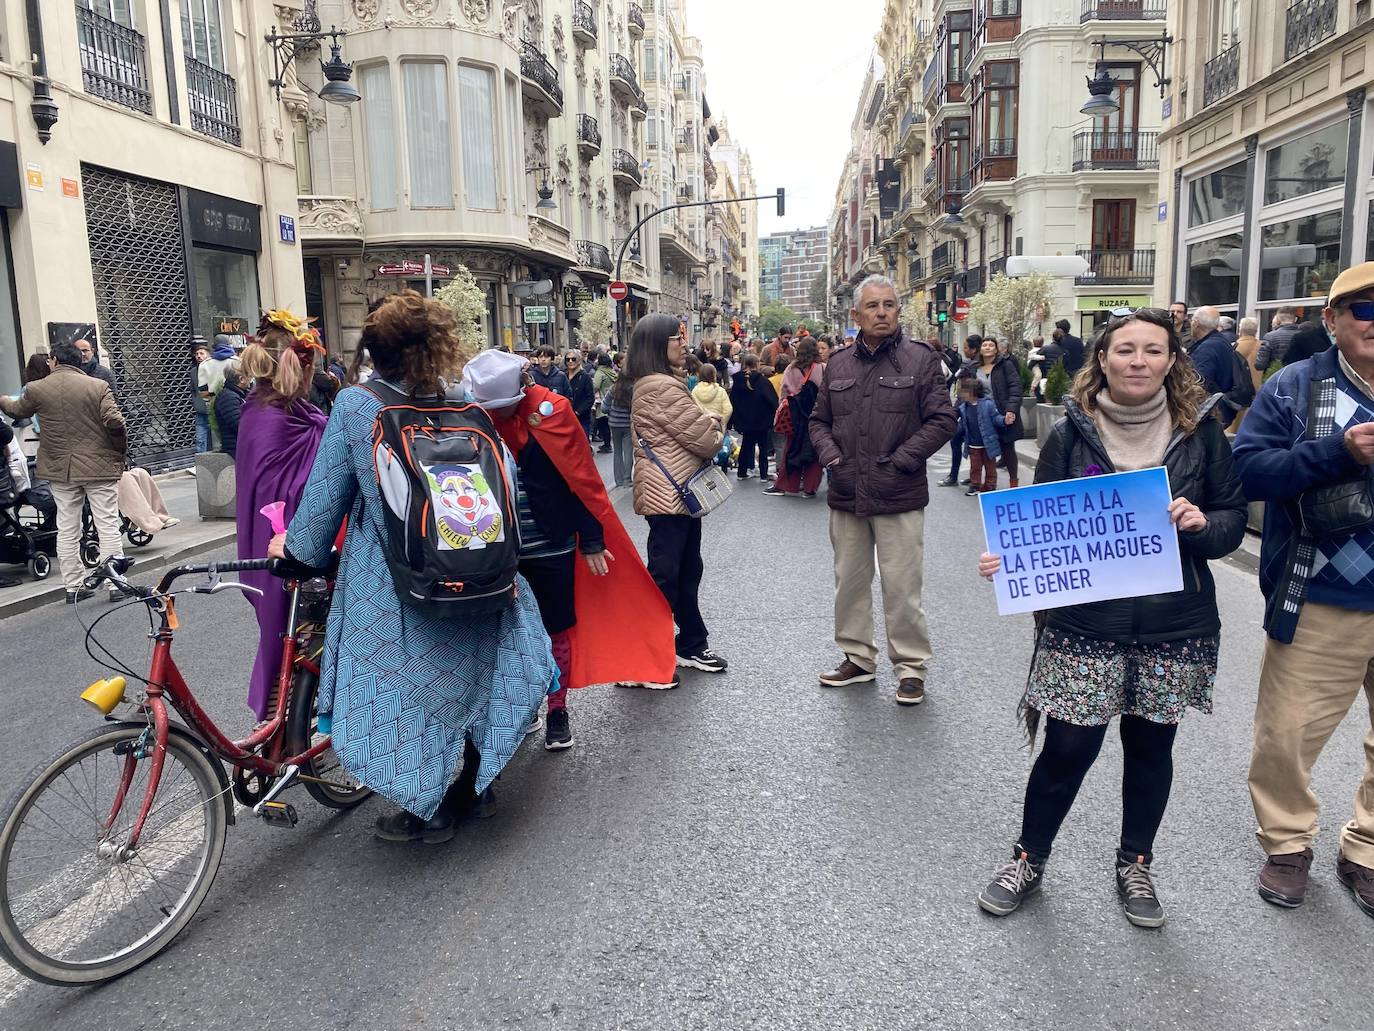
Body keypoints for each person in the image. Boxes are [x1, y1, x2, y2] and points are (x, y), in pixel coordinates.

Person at [975, 306, 1246, 927]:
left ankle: (1135, 863)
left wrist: (1203, 526)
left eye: (1154, 351)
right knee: (1067, 748)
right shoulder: (1071, 431)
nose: (1139, 361)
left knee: (1151, 747)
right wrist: (1009, 560)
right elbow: (1041, 519)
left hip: (1174, 624)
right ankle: (1029, 857)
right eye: (1126, 350)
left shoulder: (1201, 431)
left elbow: (1231, 517)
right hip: (1086, 623)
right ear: (1103, 358)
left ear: (1172, 361)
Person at [271, 290, 556, 843]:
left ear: (374, 353)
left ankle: (425, 810)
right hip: (482, 577)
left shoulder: (358, 407)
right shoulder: (468, 408)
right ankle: (476, 787)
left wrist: (297, 552)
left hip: (396, 586)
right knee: (473, 683)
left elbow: (323, 503)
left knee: (406, 694)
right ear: (439, 348)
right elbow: (507, 490)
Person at [1231, 261, 1374, 919]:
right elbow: (1248, 473)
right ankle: (1287, 843)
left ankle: (1367, 848)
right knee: (1286, 732)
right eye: (1365, 310)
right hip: (1322, 592)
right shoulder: (1294, 385)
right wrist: (1340, 453)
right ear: (1333, 321)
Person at [467, 348, 679, 720]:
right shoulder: (472, 420)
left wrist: (593, 539)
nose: (498, 415)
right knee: (507, 634)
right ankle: (525, 707)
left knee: (557, 629)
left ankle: (557, 711)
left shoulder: (554, 412)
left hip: (553, 543)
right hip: (499, 548)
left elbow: (581, 477)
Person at [809, 274, 956, 705]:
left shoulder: (921, 359)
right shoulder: (836, 363)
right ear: (856, 315)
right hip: (847, 492)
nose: (882, 313)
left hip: (900, 493)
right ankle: (857, 658)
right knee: (849, 583)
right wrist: (832, 458)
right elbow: (818, 421)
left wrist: (903, 460)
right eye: (872, 306)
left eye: (889, 305)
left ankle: (911, 667)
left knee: (902, 586)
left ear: (898, 310)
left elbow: (943, 420)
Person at [234, 312, 329, 721]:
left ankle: (290, 722)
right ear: (301, 366)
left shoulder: (270, 412)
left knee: (295, 634)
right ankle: (281, 720)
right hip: (286, 543)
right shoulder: (274, 419)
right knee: (290, 633)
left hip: (288, 540)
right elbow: (290, 488)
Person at [627, 314, 728, 674]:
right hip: (670, 494)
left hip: (675, 493)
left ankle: (690, 643)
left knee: (685, 570)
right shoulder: (660, 386)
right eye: (677, 338)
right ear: (657, 345)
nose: (685, 344)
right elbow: (707, 440)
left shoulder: (663, 382)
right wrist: (713, 423)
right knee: (668, 575)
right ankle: (642, 655)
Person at [0, 341, 125, 603]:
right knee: (107, 524)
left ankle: (73, 586)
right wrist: (118, 452)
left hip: (60, 469)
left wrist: (2, 399)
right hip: (99, 465)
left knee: (67, 527)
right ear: (80, 361)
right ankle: (115, 583)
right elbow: (115, 422)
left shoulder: (37, 389)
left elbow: (16, 410)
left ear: (55, 360)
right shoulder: (97, 386)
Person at [763, 337, 826, 498]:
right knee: (815, 452)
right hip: (817, 415)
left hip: (795, 415)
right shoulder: (823, 368)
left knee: (791, 450)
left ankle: (785, 485)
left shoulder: (792, 368)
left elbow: (784, 393)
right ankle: (809, 488)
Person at [972, 335, 1025, 488]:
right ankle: (986, 482)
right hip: (982, 414)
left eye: (991, 345)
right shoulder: (973, 368)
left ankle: (1013, 482)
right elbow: (966, 392)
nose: (987, 347)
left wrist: (1011, 409)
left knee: (1007, 448)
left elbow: (1015, 388)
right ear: (980, 350)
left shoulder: (1005, 365)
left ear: (996, 349)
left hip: (1003, 412)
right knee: (982, 450)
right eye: (984, 345)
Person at [939, 337, 982, 488]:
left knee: (962, 442)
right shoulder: (970, 366)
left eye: (966, 347)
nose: (964, 350)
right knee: (970, 445)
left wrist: (955, 412)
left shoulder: (973, 367)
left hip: (973, 411)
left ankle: (956, 476)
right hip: (969, 409)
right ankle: (970, 476)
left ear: (974, 349)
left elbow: (966, 394)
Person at [729, 353, 778, 481]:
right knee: (763, 447)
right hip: (761, 420)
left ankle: (742, 472)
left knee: (746, 445)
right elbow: (772, 400)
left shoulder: (738, 382)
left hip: (745, 420)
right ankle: (763, 474)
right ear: (757, 365)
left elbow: (732, 401)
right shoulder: (762, 382)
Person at [1188, 306, 1237, 423]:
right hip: (1222, 406)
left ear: (1195, 323)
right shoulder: (1221, 342)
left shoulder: (1207, 348)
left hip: (1211, 411)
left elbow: (1200, 383)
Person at [957, 378, 1002, 495]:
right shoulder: (964, 408)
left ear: (972, 392)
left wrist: (1004, 420)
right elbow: (963, 424)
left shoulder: (988, 404)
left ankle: (990, 485)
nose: (962, 395)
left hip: (988, 443)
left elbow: (996, 418)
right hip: (973, 444)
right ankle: (975, 485)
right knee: (975, 467)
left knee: (990, 466)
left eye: (964, 392)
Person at [605, 357, 635, 489]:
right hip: (628, 424)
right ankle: (627, 479)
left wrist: (611, 412)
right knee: (628, 451)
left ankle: (618, 480)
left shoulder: (613, 389)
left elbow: (605, 407)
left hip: (614, 424)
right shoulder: (634, 390)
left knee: (617, 451)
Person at [1229, 317, 1263, 432]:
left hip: (1239, 393)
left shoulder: (1234, 347)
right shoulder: (1263, 346)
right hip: (1259, 392)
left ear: (1240, 330)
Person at [214, 361, 247, 459]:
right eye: (249, 375)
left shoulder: (238, 394)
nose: (251, 378)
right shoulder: (228, 397)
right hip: (237, 448)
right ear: (241, 379)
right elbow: (238, 424)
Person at [1254, 306, 1301, 371]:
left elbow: (1260, 365)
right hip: (1298, 376)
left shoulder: (1270, 336)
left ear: (1278, 319)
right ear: (1295, 319)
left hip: (1275, 375)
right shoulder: (1304, 336)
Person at [564, 349, 596, 439]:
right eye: (568, 359)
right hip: (565, 417)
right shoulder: (563, 376)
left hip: (582, 419)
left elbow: (590, 398)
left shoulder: (585, 377)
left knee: (582, 444)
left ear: (579, 360)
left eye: (573, 359)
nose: (570, 361)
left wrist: (578, 412)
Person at [691, 363, 733, 428]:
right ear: (714, 375)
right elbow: (728, 410)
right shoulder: (720, 391)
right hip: (717, 425)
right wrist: (722, 422)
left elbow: (693, 409)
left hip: (700, 426)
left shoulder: (695, 391)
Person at [592, 352, 616, 453]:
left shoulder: (600, 372)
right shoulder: (612, 371)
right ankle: (607, 443)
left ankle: (607, 445)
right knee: (607, 423)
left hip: (601, 400)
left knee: (603, 423)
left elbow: (595, 386)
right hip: (612, 400)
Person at [191, 341, 210, 453]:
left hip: (213, 409)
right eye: (197, 354)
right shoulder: (193, 371)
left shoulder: (213, 368)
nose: (198, 356)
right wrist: (197, 402)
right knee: (200, 439)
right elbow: (194, 389)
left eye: (202, 353)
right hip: (200, 410)